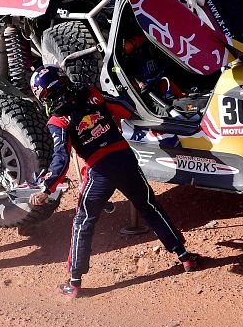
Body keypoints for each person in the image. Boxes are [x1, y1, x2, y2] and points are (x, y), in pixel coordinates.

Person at [28, 64, 199, 298]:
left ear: (44, 95)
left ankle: (74, 282)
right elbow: (126, 109)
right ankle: (185, 257)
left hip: (99, 170)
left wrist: (47, 188)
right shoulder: (91, 93)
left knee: (83, 220)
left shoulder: (58, 121)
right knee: (150, 207)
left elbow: (61, 159)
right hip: (125, 159)